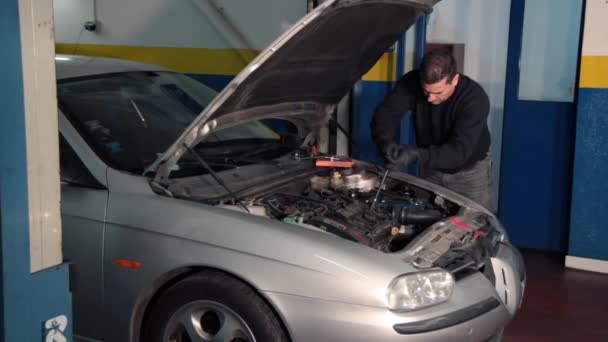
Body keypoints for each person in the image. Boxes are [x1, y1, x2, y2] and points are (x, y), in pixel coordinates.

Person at [371, 49, 494, 212]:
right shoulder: (411, 82)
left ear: (455, 79)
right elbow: (386, 115)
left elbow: (458, 153)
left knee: (478, 226)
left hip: (470, 174)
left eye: (438, 92)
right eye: (426, 91)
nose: (430, 98)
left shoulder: (475, 99)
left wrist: (415, 155)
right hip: (431, 169)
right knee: (424, 220)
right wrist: (385, 143)